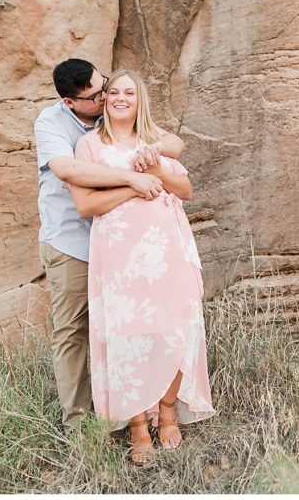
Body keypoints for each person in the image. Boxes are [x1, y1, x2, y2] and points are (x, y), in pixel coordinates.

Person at [68, 69, 216, 465]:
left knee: (177, 326)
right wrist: (133, 185)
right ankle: (136, 424)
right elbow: (87, 206)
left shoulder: (155, 141)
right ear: (103, 100)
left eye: (129, 92)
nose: (120, 98)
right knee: (127, 334)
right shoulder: (88, 146)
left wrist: (156, 172)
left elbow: (185, 190)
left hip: (168, 247)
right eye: (113, 91)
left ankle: (167, 412)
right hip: (119, 255)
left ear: (140, 100)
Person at [34, 58, 186, 431]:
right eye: (98, 94)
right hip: (72, 241)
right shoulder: (52, 123)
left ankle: (150, 409)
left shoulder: (110, 111)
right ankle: (80, 423)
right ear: (72, 102)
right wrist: (133, 180)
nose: (106, 97)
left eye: (107, 87)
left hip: (125, 248)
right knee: (74, 332)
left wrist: (156, 150)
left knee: (138, 326)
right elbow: (69, 172)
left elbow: (173, 143)